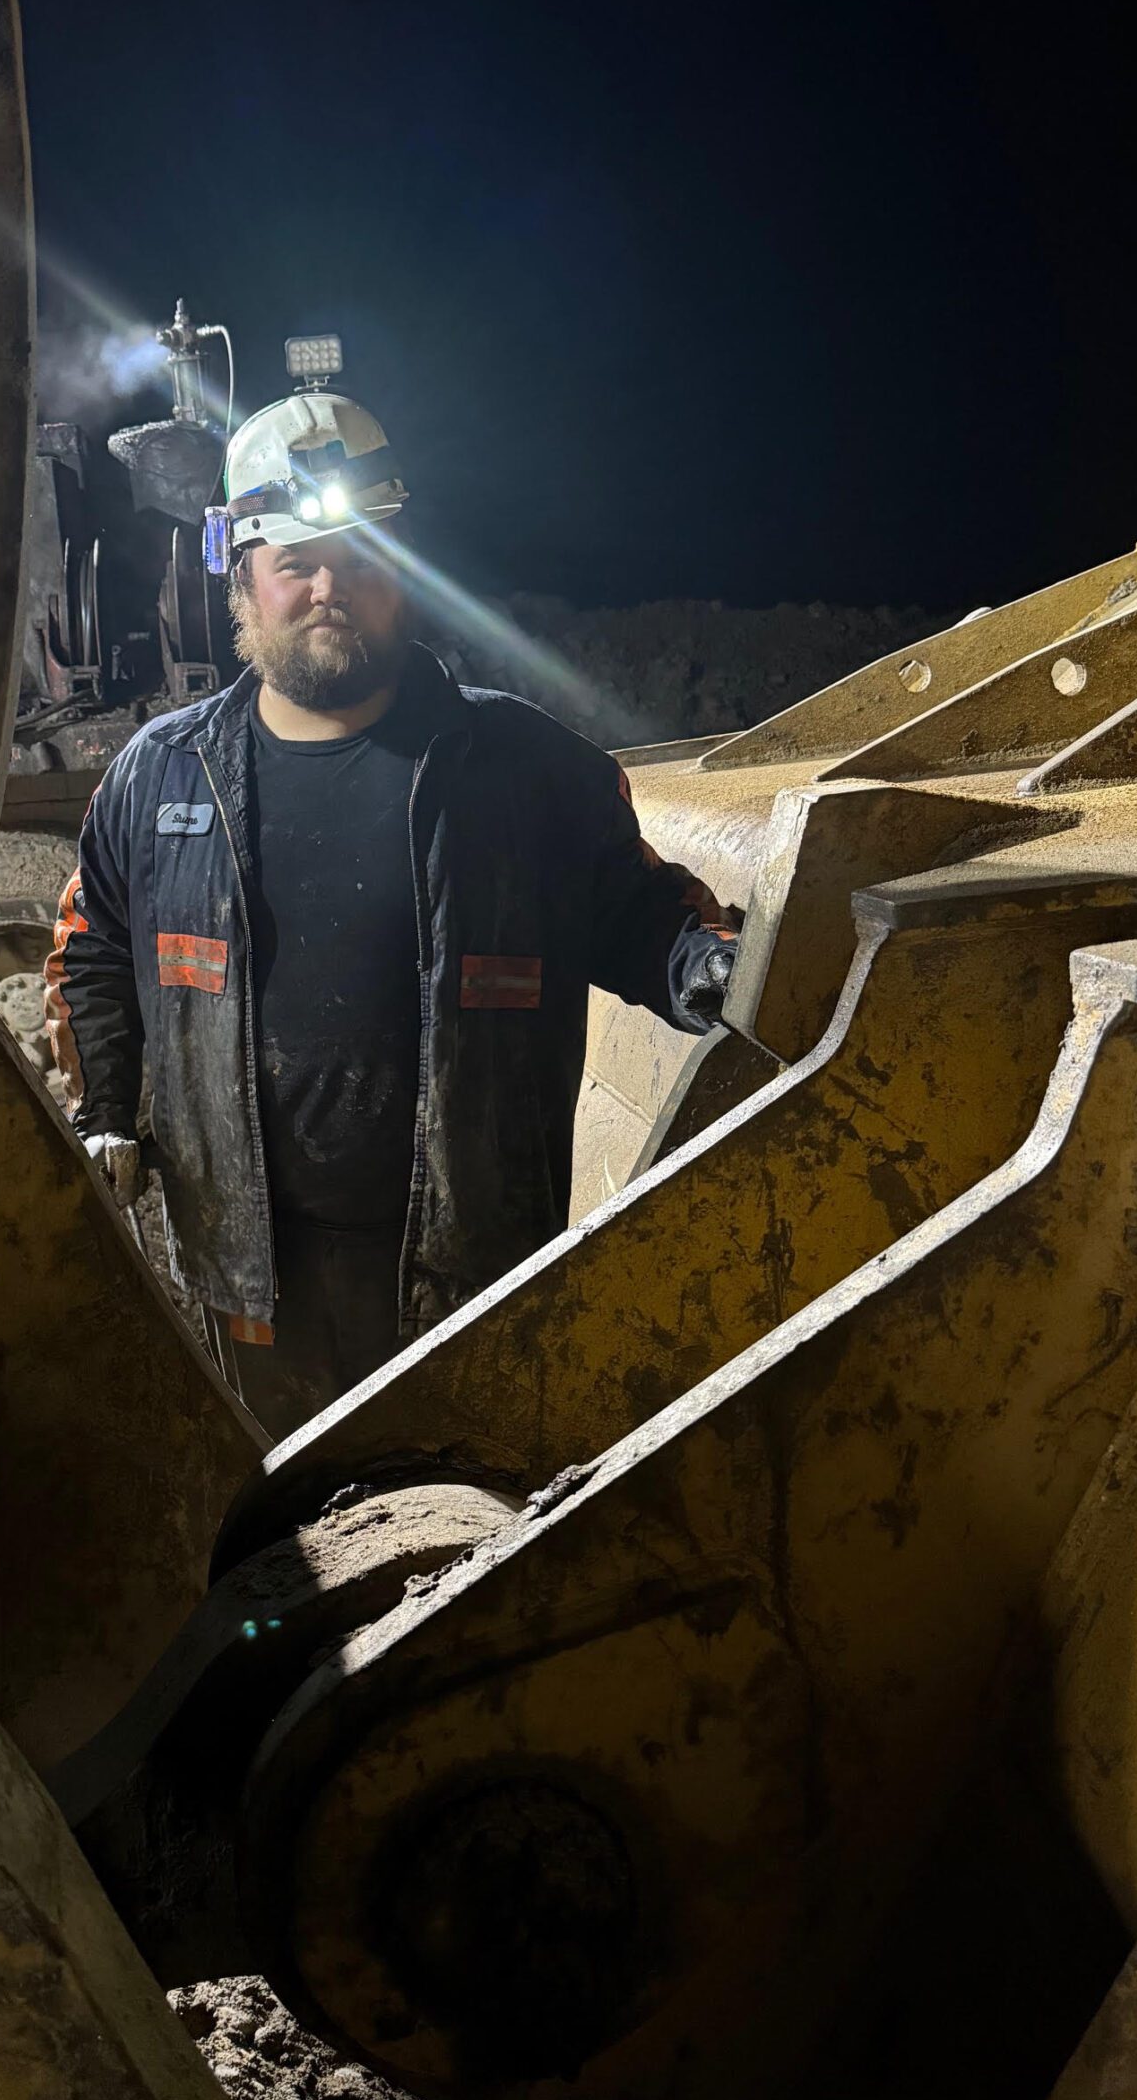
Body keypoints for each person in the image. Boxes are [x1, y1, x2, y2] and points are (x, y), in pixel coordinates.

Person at [44, 387, 735, 1438]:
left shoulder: (525, 768)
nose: (331, 587)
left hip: (471, 1280)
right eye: (297, 563)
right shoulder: (159, 777)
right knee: (278, 1511)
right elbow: (96, 944)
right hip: (248, 1285)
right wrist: (103, 1111)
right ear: (244, 574)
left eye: (359, 559)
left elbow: (641, 915)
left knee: (467, 1511)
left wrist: (715, 969)